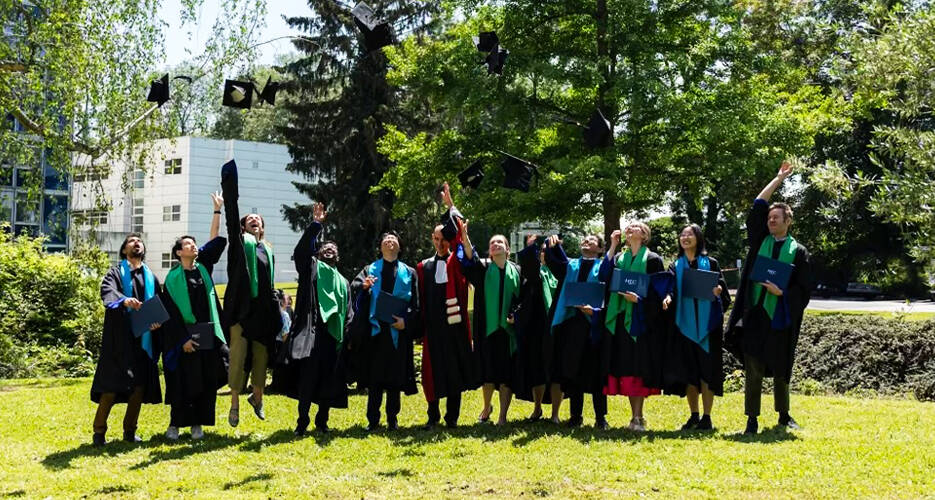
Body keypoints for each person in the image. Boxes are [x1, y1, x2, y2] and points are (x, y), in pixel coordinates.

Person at [726, 161, 811, 435]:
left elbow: (804, 288)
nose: (770, 220)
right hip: (755, 313)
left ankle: (784, 415)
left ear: (788, 221)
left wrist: (783, 293)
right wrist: (778, 179)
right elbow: (758, 205)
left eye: (776, 218)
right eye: (769, 218)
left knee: (781, 364)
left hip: (781, 315)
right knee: (753, 366)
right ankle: (751, 419)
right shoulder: (759, 240)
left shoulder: (798, 251)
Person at [160, 192, 228, 440]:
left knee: (205, 380)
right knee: (181, 381)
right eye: (188, 244)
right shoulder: (172, 279)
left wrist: (217, 210)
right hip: (184, 335)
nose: (193, 246)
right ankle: (175, 424)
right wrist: (182, 340)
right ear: (179, 252)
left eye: (193, 243)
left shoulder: (203, 268)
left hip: (206, 332)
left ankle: (198, 423)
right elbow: (171, 313)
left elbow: (214, 241)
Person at [220, 160, 282, 427]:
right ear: (243, 227)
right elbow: (232, 217)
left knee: (261, 356)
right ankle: (234, 403)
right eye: (250, 219)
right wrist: (230, 188)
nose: (254, 220)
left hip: (263, 312)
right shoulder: (238, 244)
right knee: (237, 355)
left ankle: (257, 397)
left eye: (258, 219)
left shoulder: (267, 250)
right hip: (241, 310)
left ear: (262, 228)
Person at [286, 202, 354, 436]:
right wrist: (316, 225)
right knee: (308, 379)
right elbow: (301, 251)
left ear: (339, 256)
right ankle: (302, 421)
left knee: (328, 380)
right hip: (312, 332)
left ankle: (322, 421)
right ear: (317, 252)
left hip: (332, 337)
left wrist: (347, 334)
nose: (330, 249)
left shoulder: (343, 282)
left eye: (334, 248)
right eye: (325, 247)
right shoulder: (311, 268)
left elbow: (349, 311)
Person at [415, 183, 479, 429]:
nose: (440, 243)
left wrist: (450, 205)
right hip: (433, 329)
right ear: (432, 239)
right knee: (432, 374)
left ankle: (452, 418)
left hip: (455, 329)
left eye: (444, 239)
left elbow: (460, 230)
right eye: (437, 239)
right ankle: (433, 416)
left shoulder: (457, 261)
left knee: (454, 372)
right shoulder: (423, 267)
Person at [90, 233, 164, 445]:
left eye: (139, 241)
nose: (137, 243)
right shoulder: (115, 272)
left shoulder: (151, 276)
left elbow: (157, 304)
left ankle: (130, 431)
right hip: (120, 338)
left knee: (139, 386)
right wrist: (124, 300)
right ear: (124, 250)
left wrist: (157, 322)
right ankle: (99, 432)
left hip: (143, 338)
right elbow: (107, 290)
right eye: (132, 241)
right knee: (111, 386)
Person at [661, 224, 731, 431]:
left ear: (698, 238)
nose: (685, 237)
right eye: (682, 235)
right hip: (684, 325)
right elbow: (671, 288)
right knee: (689, 373)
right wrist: (667, 297)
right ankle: (694, 415)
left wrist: (718, 291)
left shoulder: (710, 263)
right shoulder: (676, 265)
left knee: (706, 373)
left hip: (708, 328)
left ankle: (707, 417)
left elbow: (722, 292)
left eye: (689, 234)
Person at [349, 230, 420, 431]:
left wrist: (406, 322)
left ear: (399, 245)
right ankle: (373, 420)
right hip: (376, 331)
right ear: (380, 247)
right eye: (386, 240)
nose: (390, 241)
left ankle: (392, 419)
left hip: (397, 331)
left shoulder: (409, 272)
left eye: (393, 239)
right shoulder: (369, 270)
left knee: (395, 379)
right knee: (375, 378)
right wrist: (364, 287)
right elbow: (355, 293)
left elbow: (416, 304)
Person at [456, 217, 523, 426]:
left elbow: (523, 300)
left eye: (500, 243)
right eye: (492, 243)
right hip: (487, 329)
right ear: (490, 251)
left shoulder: (518, 272)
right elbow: (468, 258)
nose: (495, 245)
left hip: (508, 331)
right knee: (487, 373)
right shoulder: (483, 270)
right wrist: (465, 237)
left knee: (506, 375)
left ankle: (503, 415)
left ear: (508, 249)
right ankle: (486, 407)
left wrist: (516, 314)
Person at [602, 223, 666, 431]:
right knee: (628, 367)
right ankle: (634, 416)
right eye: (628, 227)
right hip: (622, 317)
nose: (630, 229)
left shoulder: (653, 260)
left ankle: (639, 417)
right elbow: (605, 275)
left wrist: (639, 300)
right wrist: (612, 245)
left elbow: (658, 291)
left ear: (645, 234)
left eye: (636, 227)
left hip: (641, 319)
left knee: (639, 367)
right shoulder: (620, 258)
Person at [543, 233, 610, 429]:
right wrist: (551, 245)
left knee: (596, 372)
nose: (587, 242)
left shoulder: (603, 268)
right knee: (573, 371)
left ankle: (600, 417)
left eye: (592, 241)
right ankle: (575, 416)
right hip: (573, 324)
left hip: (594, 324)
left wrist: (595, 311)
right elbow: (556, 263)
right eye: (585, 240)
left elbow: (607, 293)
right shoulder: (571, 265)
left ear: (599, 249)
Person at [513, 235, 559, 422]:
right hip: (535, 327)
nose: (543, 254)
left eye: (545, 251)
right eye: (540, 252)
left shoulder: (561, 271)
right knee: (536, 368)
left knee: (556, 371)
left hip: (556, 326)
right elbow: (521, 298)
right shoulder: (533, 274)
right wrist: (531, 246)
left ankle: (555, 414)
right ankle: (537, 408)